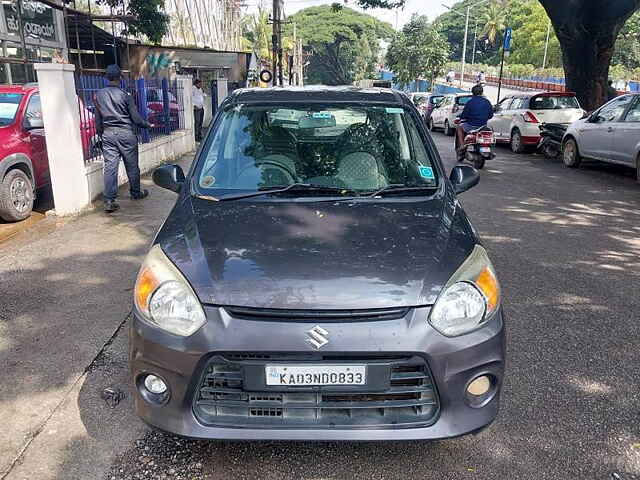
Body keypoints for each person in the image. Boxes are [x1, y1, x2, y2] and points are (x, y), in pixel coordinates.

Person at [95, 64, 152, 213]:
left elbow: (98, 119)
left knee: (110, 167)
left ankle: (109, 200)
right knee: (132, 166)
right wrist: (147, 125)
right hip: (126, 134)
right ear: (120, 78)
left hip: (108, 134)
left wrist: (101, 134)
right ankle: (135, 193)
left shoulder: (99, 95)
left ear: (106, 78)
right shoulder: (125, 95)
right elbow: (136, 119)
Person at [455, 84, 494, 158]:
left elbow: (464, 115)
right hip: (482, 126)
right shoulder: (487, 102)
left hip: (471, 126)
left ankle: (462, 145)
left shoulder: (470, 102)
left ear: (472, 93)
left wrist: (460, 118)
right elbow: (491, 115)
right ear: (482, 92)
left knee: (459, 127)